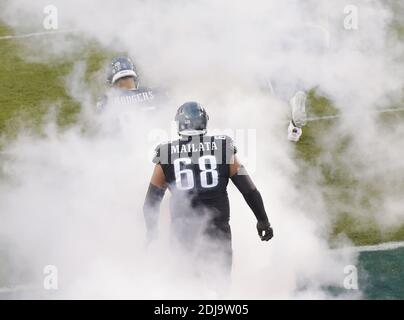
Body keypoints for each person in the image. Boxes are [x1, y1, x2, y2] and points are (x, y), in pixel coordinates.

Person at [143, 101, 273, 278]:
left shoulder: (166, 152)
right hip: (217, 230)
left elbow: (151, 202)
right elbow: (249, 190)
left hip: (183, 233)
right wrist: (263, 220)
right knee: (219, 287)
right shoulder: (223, 147)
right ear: (204, 122)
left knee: (186, 290)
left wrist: (152, 233)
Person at [96, 56, 166, 112]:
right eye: (121, 83)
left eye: (128, 80)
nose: (125, 83)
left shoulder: (107, 102)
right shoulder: (155, 93)